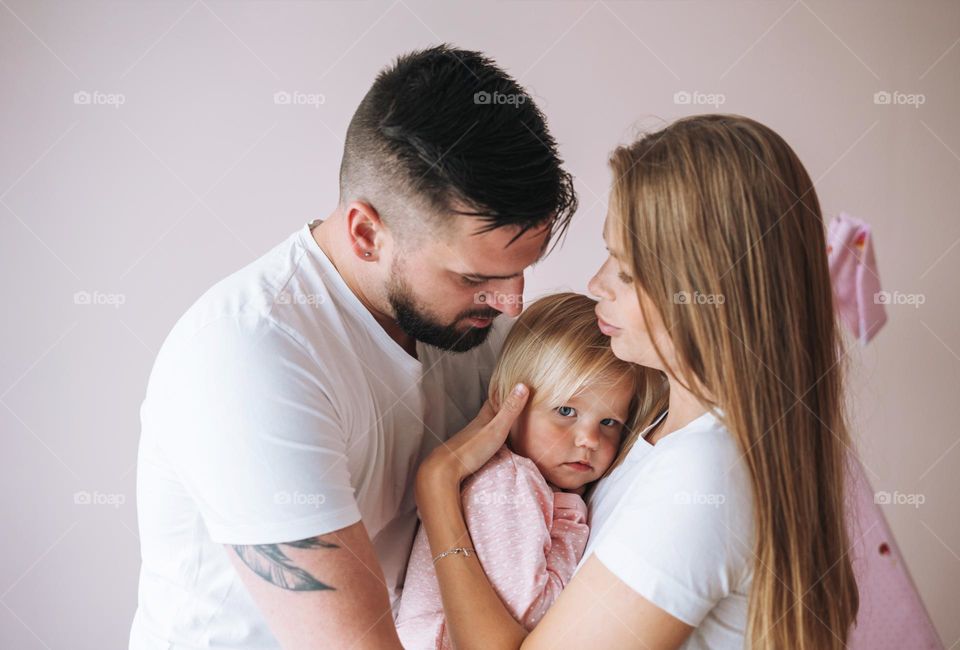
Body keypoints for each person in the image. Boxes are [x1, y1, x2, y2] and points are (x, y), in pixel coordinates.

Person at [129, 44, 577, 649]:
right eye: (476, 278)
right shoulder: (250, 356)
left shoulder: (471, 324)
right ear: (367, 233)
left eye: (521, 270)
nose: (511, 304)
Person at [414, 114, 860, 650]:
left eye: (624, 270)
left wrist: (437, 488)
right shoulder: (653, 426)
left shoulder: (703, 477)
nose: (596, 283)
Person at [396, 292, 664, 648]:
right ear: (510, 402)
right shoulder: (508, 484)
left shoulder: (538, 483)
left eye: (609, 421)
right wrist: (569, 524)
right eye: (566, 411)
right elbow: (531, 615)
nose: (589, 439)